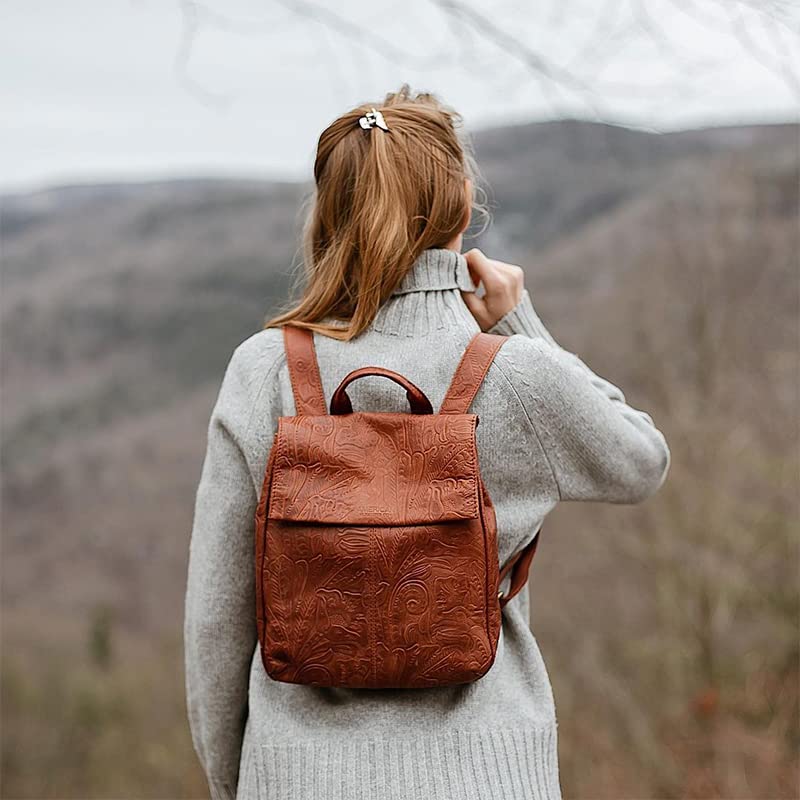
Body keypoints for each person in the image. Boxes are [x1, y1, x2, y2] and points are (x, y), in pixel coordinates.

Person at [184, 85, 670, 800]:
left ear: (331, 212)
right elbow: (641, 461)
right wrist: (519, 326)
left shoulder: (263, 371)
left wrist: (246, 781)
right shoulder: (519, 377)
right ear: (462, 202)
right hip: (487, 778)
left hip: (297, 780)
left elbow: (217, 623)